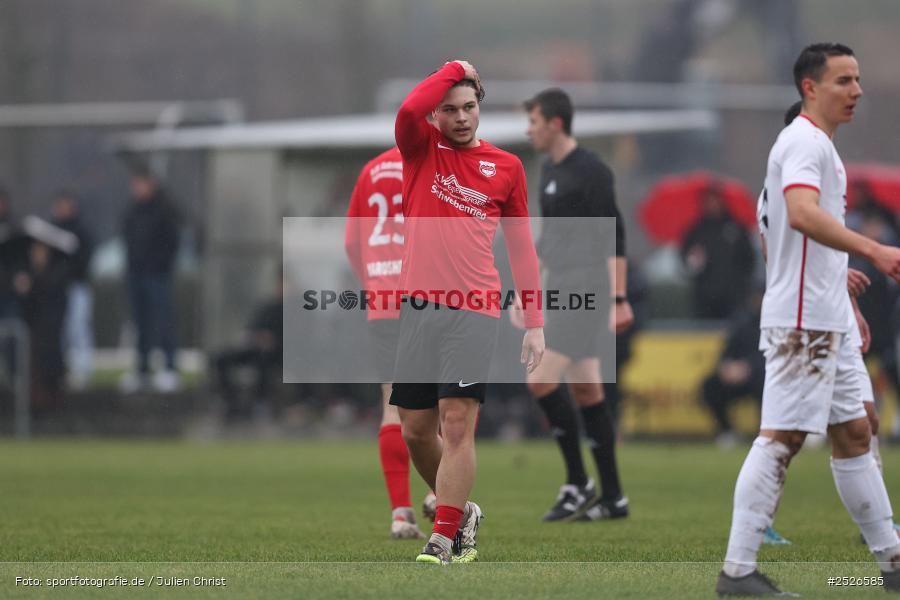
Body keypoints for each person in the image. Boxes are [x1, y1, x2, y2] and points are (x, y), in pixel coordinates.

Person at [716, 43, 900, 596]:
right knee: (782, 438)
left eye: (858, 79)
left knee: (855, 431)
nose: (857, 90)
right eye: (843, 80)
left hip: (825, 317)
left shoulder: (814, 147)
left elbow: (785, 243)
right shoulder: (804, 141)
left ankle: (891, 563)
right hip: (802, 321)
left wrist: (840, 298)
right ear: (809, 88)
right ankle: (738, 572)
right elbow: (800, 213)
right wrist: (876, 252)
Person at [392, 60, 545, 564]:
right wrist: (456, 67)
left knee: (456, 426)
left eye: (470, 107)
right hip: (418, 307)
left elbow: (522, 249)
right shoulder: (419, 149)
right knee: (415, 430)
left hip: (475, 308)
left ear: (481, 109)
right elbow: (411, 106)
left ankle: (444, 537)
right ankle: (464, 511)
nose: (461, 118)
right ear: (437, 116)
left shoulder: (506, 167)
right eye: (451, 110)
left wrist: (535, 322)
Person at [517, 87, 632, 522]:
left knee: (540, 379)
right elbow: (548, 243)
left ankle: (578, 481)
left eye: (534, 122)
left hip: (588, 288)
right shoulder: (548, 170)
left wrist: (618, 298)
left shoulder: (592, 171)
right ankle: (614, 497)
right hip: (560, 285)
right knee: (587, 389)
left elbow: (614, 233)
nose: (529, 130)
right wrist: (529, 294)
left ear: (556, 123)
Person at [344, 146, 427, 540]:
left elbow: (351, 243)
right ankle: (439, 495)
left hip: (383, 302)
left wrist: (374, 284)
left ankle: (400, 512)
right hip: (429, 296)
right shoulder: (434, 164)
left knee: (391, 404)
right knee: (446, 404)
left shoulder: (371, 169)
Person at [120, 169, 181, 394]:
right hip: (136, 275)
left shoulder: (164, 209)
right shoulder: (132, 211)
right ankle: (142, 369)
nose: (138, 189)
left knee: (163, 319)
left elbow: (172, 242)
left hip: (158, 275)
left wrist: (159, 265)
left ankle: (170, 367)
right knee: (140, 323)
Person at [213, 276, 283, 422]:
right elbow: (250, 331)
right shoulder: (267, 308)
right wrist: (256, 338)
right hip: (255, 349)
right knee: (220, 358)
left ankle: (260, 404)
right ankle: (230, 403)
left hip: (278, 354)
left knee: (264, 362)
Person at [680, 186, 756, 319]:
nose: (712, 205)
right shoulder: (696, 230)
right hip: (704, 296)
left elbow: (748, 259)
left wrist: (742, 281)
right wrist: (693, 260)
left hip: (734, 295)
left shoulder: (736, 228)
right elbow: (685, 260)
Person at [700, 291, 765, 447]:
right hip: (737, 376)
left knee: (764, 383)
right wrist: (726, 366)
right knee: (710, 385)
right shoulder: (741, 321)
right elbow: (727, 350)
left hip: (759, 375)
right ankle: (726, 431)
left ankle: (766, 432)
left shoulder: (775, 324)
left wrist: (749, 368)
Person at [51, 190, 95, 390]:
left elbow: (84, 259)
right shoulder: (52, 230)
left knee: (78, 326)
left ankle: (82, 369)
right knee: (59, 329)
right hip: (56, 288)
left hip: (77, 285)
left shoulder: (82, 231)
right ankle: (58, 369)